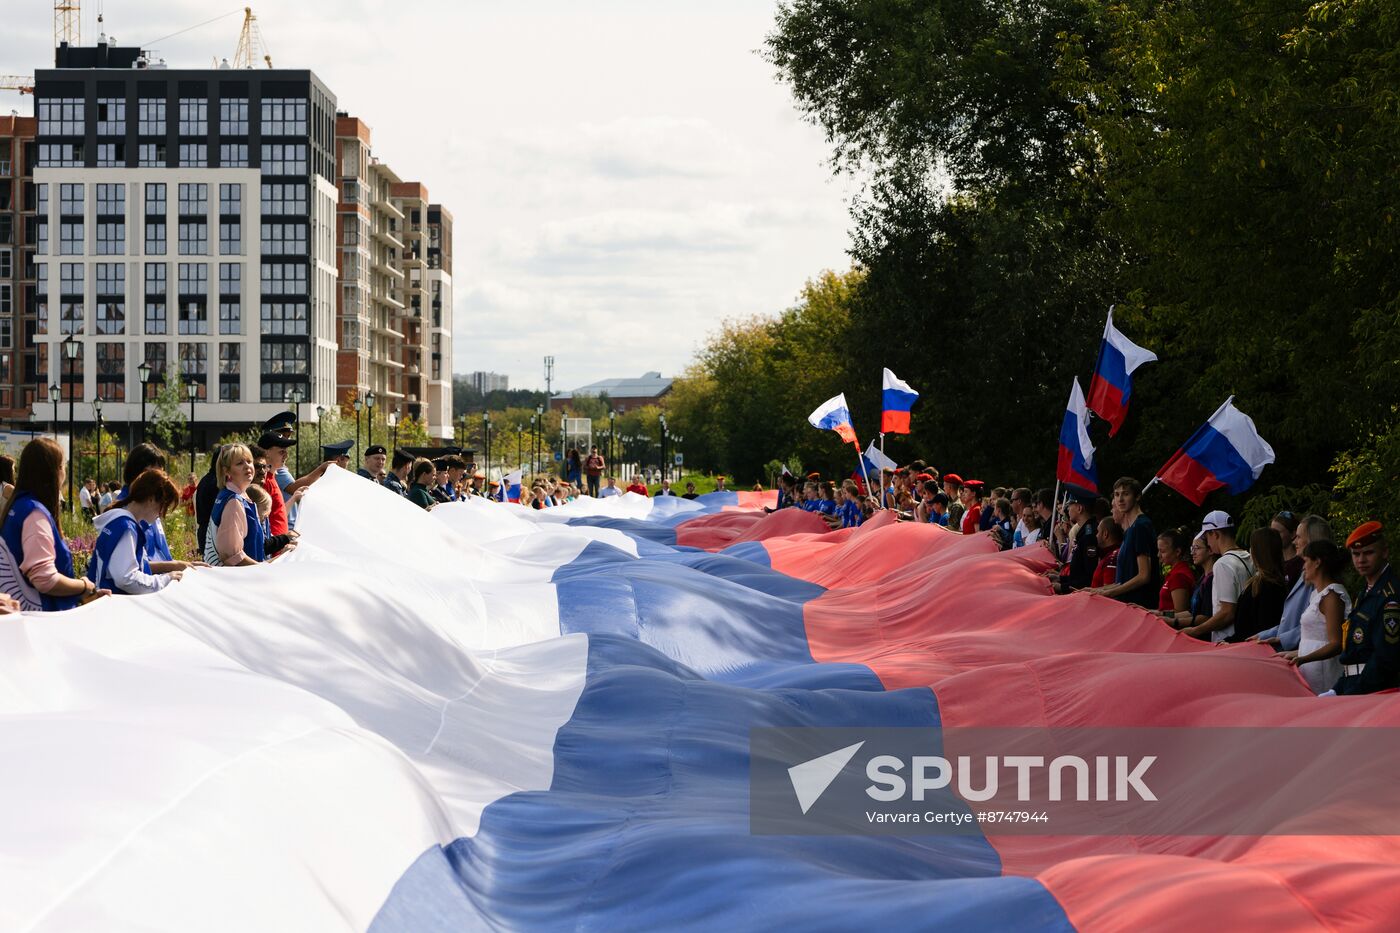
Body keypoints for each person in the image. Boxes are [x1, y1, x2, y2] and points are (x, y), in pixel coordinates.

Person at [0, 438, 107, 610]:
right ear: (55, 471)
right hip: (44, 621)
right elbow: (45, 580)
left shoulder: (19, 506)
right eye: (63, 466)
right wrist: (85, 586)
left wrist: (83, 596)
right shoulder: (34, 514)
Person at [87, 469, 184, 595]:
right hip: (115, 605)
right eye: (163, 507)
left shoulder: (120, 522)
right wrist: (165, 579)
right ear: (151, 499)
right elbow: (126, 578)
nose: (161, 514)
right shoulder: (127, 527)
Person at [1333, 522, 1400, 695]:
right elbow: (1354, 653)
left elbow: (1385, 658)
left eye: (1368, 553)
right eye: (1356, 554)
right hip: (1355, 686)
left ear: (1384, 552)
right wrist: (1337, 689)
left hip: (1374, 692)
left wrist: (1353, 692)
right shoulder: (1365, 593)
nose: (1361, 560)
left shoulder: (1389, 597)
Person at [106, 442, 191, 575]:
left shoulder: (149, 503)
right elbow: (131, 569)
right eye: (158, 473)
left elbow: (160, 554)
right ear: (143, 474)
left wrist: (182, 565)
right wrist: (175, 566)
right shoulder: (128, 513)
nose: (162, 479)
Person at [1253, 515, 1332, 653]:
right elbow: (1290, 622)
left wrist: (1283, 639)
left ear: (1312, 541)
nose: (1294, 541)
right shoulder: (1306, 574)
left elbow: (1318, 627)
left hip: (1306, 656)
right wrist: (1262, 636)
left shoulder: (1322, 581)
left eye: (1299, 537)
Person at [1285, 539, 1351, 693]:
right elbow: (1315, 637)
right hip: (1310, 668)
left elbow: (1336, 643)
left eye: (1306, 561)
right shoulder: (1317, 594)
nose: (1303, 566)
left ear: (1317, 562)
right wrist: (1294, 654)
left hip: (1323, 670)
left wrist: (1304, 658)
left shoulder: (1331, 596)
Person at [1183, 511, 1253, 642]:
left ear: (1215, 534)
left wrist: (1195, 631)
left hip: (1226, 641)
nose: (1208, 543)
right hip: (1245, 638)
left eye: (1207, 537)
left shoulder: (1223, 564)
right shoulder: (1248, 557)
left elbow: (1227, 613)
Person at [1093, 477, 1159, 609]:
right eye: (1117, 495)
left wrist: (1110, 592)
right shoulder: (1131, 529)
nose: (1120, 499)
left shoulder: (1141, 526)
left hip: (1139, 606)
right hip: (1128, 605)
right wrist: (1097, 591)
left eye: (1126, 494)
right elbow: (1124, 580)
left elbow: (1144, 575)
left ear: (1138, 497)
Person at [205, 444, 265, 567]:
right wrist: (264, 570)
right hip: (238, 580)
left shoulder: (233, 496)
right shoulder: (233, 502)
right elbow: (232, 557)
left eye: (249, 461)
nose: (247, 466)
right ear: (226, 471)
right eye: (239, 463)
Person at [1051, 489, 1099, 593]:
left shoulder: (1089, 536)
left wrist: (1062, 587)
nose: (1067, 509)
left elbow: (1089, 577)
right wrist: (1060, 578)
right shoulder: (1086, 531)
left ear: (1079, 508)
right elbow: (1078, 575)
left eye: (1070, 505)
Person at [245, 483, 295, 558]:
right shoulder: (250, 527)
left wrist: (286, 539)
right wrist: (285, 538)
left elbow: (268, 540)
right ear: (253, 507)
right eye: (265, 509)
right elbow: (263, 546)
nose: (267, 514)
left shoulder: (263, 521)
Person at [1156, 528, 1197, 615]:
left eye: (1162, 551)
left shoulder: (1179, 576)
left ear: (1177, 551)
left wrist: (1156, 614)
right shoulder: (1175, 573)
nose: (1158, 555)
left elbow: (1180, 613)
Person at [1272, 511, 1302, 589]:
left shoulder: (1302, 562)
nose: (1273, 536)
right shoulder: (1272, 562)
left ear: (1292, 534)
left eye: (1277, 532)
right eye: (1271, 532)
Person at [1090, 517, 1123, 588]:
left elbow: (1109, 593)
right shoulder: (1109, 555)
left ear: (1105, 534)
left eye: (1098, 531)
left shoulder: (1112, 558)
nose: (1096, 535)